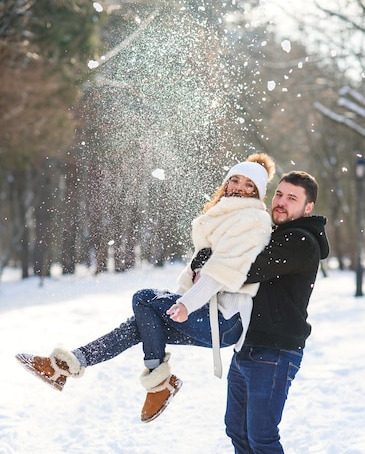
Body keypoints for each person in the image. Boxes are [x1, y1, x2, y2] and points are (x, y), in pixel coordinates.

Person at [16, 153, 275, 424]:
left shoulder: (251, 220)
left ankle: (159, 383)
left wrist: (185, 304)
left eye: (249, 185)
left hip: (225, 320)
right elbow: (202, 270)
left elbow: (221, 272)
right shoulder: (224, 216)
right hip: (210, 313)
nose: (239, 187)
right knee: (141, 324)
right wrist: (174, 301)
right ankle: (67, 366)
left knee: (143, 298)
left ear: (258, 193)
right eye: (234, 180)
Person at [211, 170, 330, 454]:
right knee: (237, 429)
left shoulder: (300, 240)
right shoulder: (273, 232)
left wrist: (210, 258)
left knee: (262, 435)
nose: (281, 202)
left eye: (292, 198)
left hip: (276, 351)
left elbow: (248, 269)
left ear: (308, 206)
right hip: (249, 345)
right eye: (279, 194)